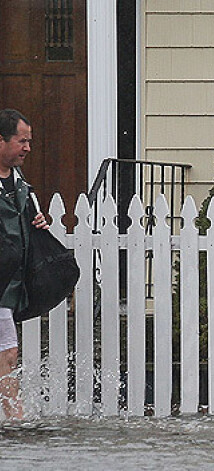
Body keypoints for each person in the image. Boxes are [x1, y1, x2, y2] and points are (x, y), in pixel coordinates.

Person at [0, 109, 49, 420]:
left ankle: (12, 417)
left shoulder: (21, 186)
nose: (28, 148)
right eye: (22, 141)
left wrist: (39, 223)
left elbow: (25, 226)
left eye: (29, 141)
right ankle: (14, 417)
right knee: (7, 352)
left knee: (8, 352)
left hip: (7, 284)